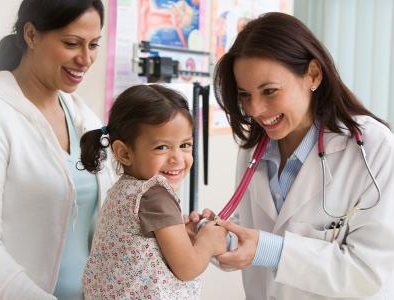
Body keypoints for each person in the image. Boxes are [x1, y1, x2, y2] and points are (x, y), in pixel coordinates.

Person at [187, 12, 394, 299]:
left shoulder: (371, 148)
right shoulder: (254, 149)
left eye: (269, 91)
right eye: (245, 94)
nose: (256, 110)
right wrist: (219, 238)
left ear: (313, 75)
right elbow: (251, 238)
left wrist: (270, 250)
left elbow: (368, 272)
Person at [0, 1, 115, 299]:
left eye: (93, 45)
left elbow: (112, 216)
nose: (86, 59)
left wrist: (183, 240)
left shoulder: (82, 117)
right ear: (31, 35)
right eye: (71, 44)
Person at [80, 84, 228, 299]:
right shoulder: (155, 195)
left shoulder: (123, 188)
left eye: (185, 145)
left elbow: (147, 247)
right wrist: (207, 241)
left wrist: (186, 234)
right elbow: (187, 268)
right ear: (123, 152)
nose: (177, 158)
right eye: (162, 147)